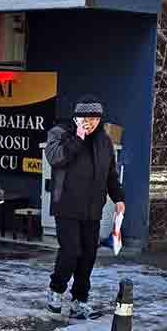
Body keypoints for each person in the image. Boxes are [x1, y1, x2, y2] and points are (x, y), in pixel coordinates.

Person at [45, 96, 125, 318]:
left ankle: (79, 299)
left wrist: (119, 198)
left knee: (88, 255)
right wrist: (78, 138)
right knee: (71, 252)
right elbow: (55, 158)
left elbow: (110, 175)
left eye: (95, 119)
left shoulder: (104, 141)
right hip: (67, 206)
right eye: (86, 118)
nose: (91, 123)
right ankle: (56, 290)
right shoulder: (60, 133)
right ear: (77, 117)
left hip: (92, 209)